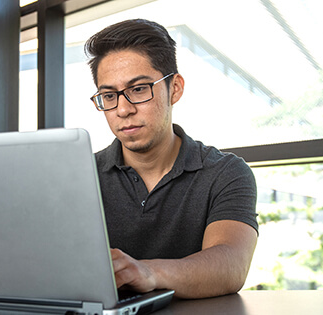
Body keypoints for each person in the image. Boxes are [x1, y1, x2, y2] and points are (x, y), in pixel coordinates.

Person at [85, 19, 259, 299]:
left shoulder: (225, 172)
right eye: (109, 95)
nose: (123, 109)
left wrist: (148, 273)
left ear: (174, 88)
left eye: (139, 89)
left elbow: (231, 265)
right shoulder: (80, 175)